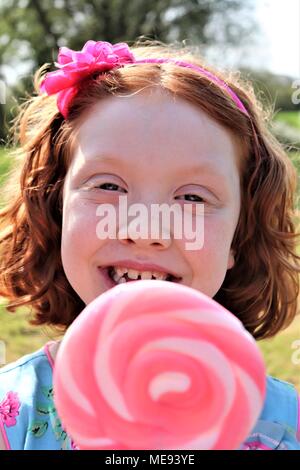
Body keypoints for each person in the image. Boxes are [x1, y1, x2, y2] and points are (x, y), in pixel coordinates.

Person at [0, 39, 299, 450]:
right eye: (108, 186)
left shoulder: (289, 427)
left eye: (192, 198)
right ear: (55, 209)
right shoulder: (11, 417)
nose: (146, 230)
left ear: (239, 236)